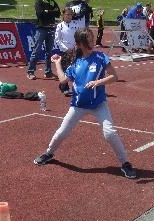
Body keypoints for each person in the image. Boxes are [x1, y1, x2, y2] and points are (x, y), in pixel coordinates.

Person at [32, 28, 137, 180]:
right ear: (80, 44)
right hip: (78, 105)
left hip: (98, 104)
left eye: (92, 38)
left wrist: (98, 82)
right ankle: (49, 153)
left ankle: (125, 163)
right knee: (62, 132)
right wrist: (57, 63)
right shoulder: (76, 62)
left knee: (109, 133)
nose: (92, 42)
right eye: (88, 40)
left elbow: (114, 76)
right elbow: (63, 80)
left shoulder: (100, 57)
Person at [27, 0, 61, 80]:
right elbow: (40, 14)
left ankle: (48, 72)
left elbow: (58, 14)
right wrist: (51, 12)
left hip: (51, 29)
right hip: (41, 28)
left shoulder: (53, 2)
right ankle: (30, 71)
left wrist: (47, 11)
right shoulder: (39, 1)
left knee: (49, 52)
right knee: (36, 50)